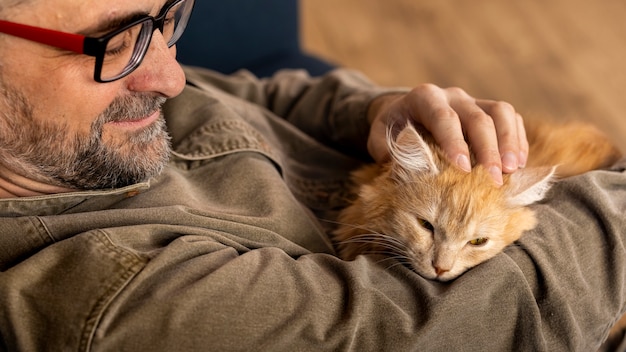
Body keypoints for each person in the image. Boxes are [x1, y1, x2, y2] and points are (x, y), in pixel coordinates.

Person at [0, 0, 623, 351]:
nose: (172, 77)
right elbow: (468, 319)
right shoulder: (119, 294)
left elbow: (250, 93)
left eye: (165, 19)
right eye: (115, 42)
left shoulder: (70, 131)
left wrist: (377, 112)